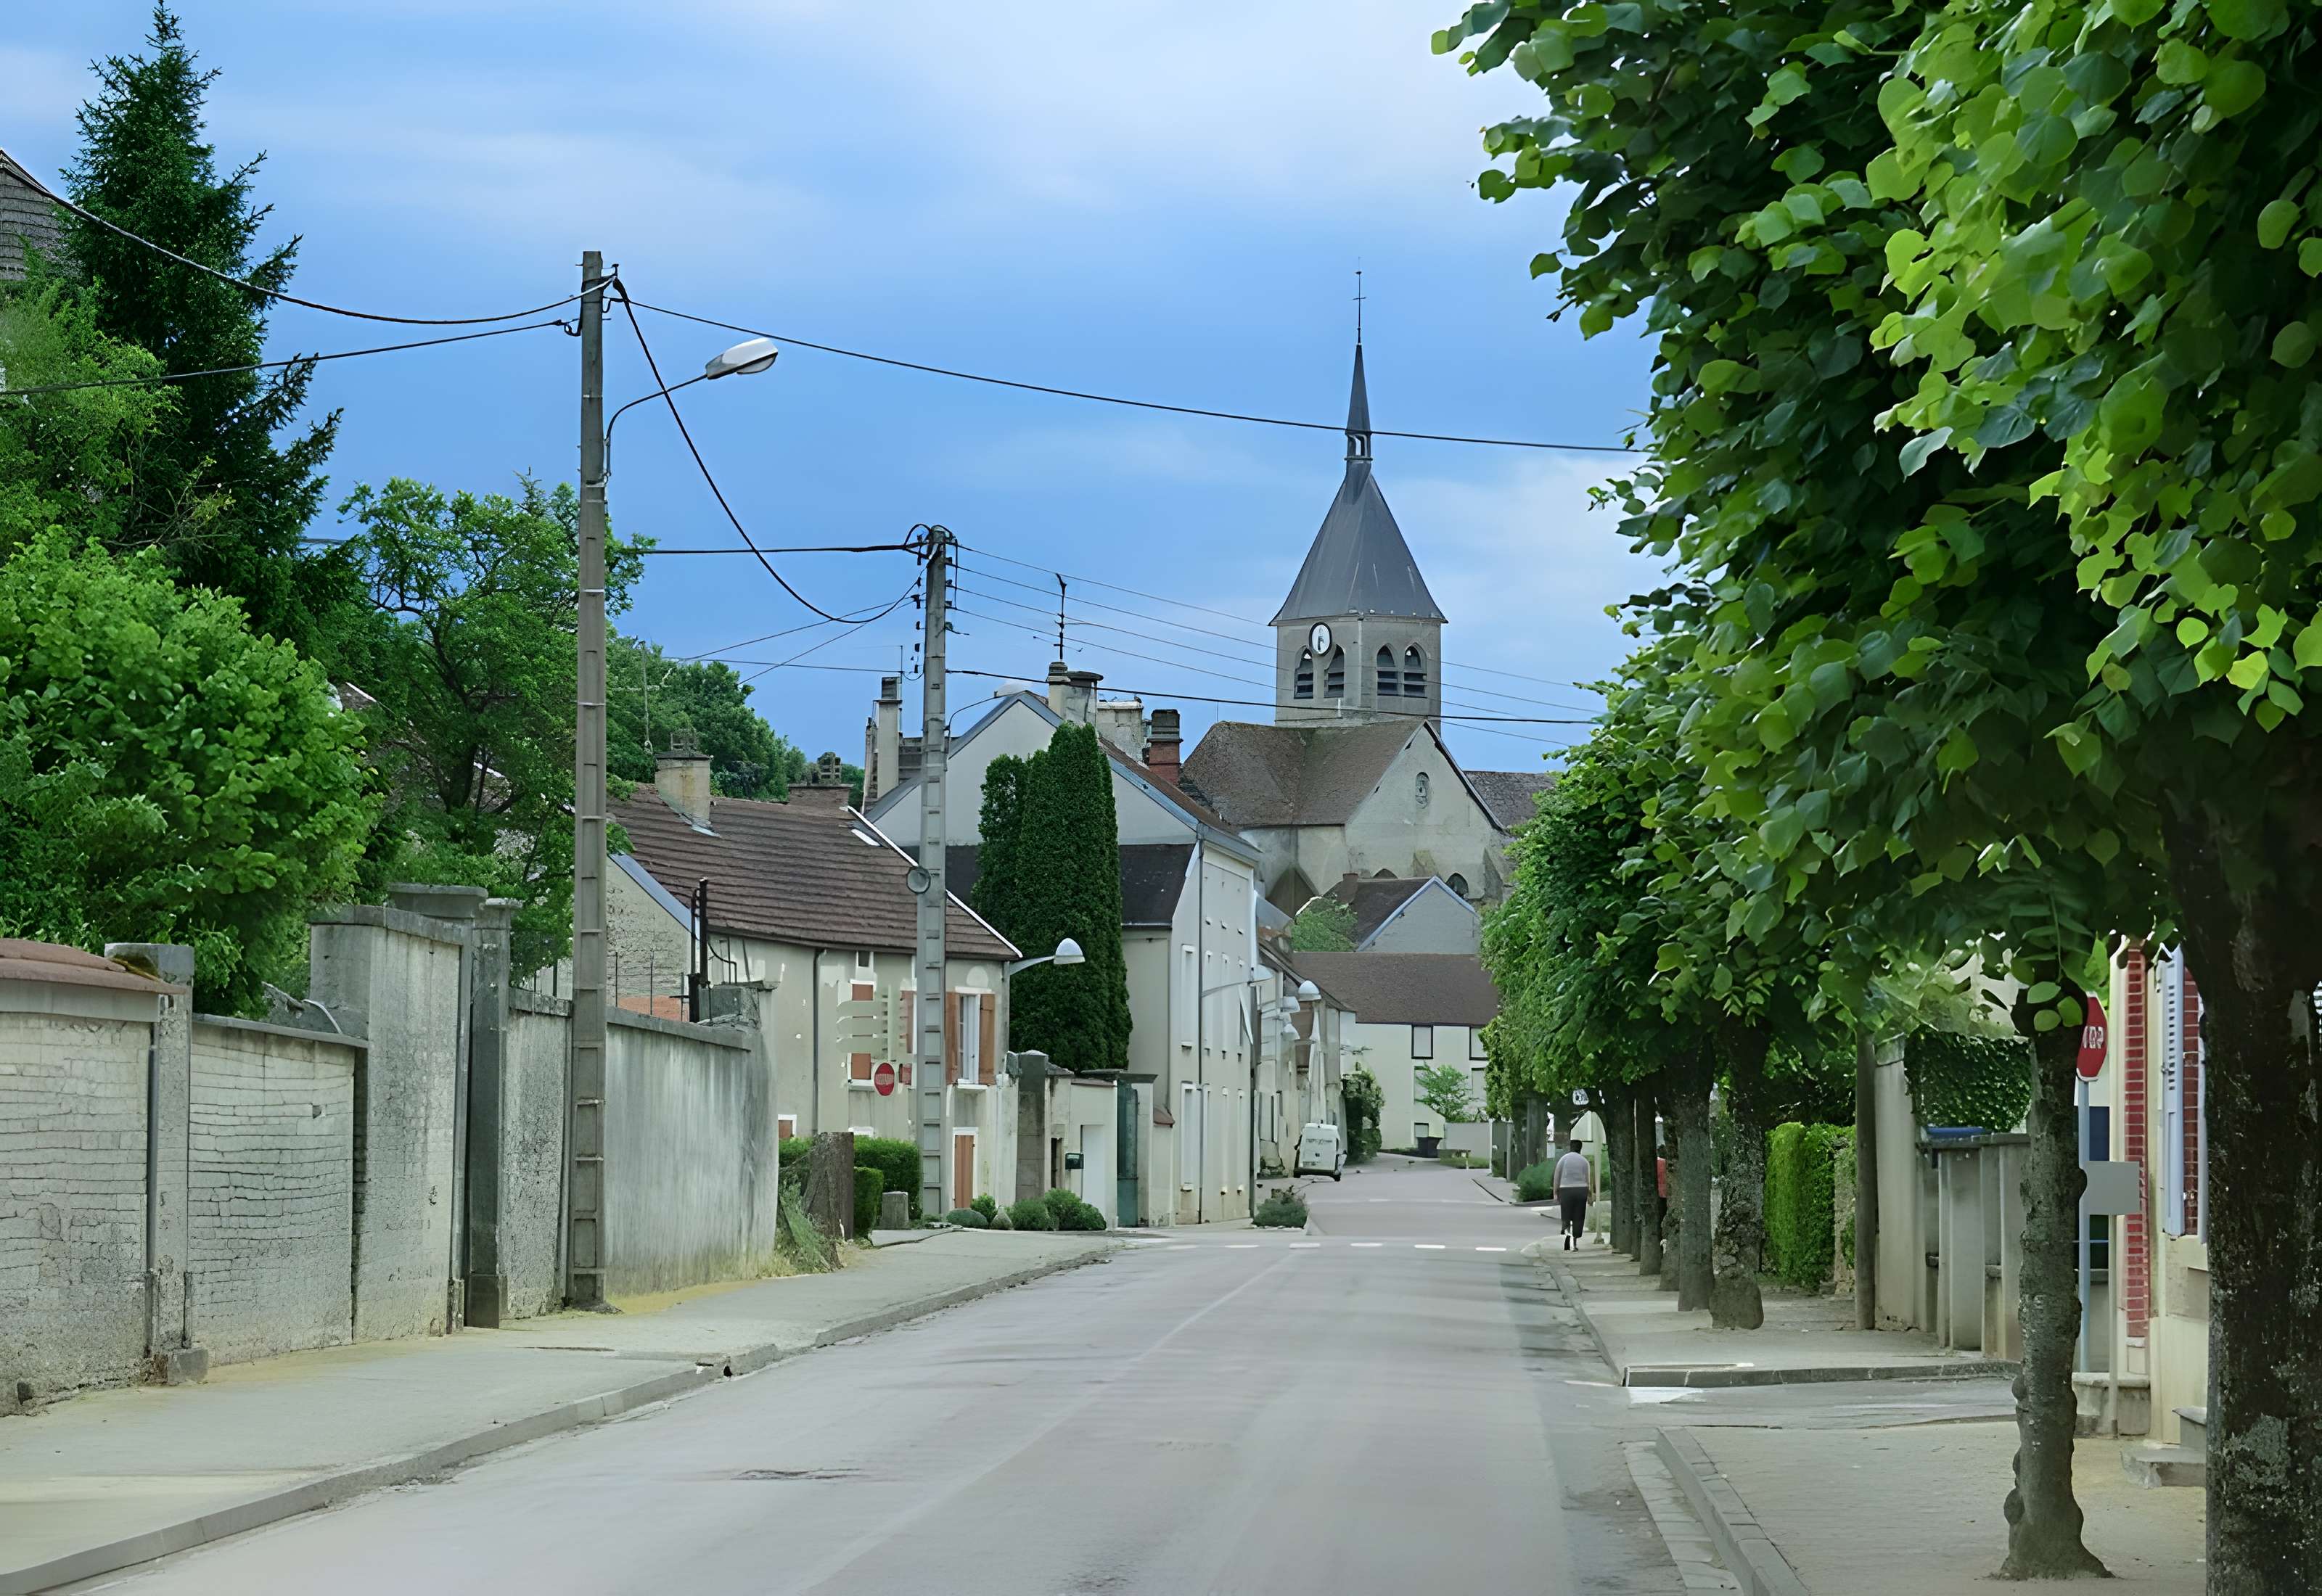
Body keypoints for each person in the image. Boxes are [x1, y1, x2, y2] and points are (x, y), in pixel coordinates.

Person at [1554, 1138, 1594, 1250]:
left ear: (1570, 1147)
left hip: (1566, 1190)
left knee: (1566, 1215)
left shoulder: (1563, 1159)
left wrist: (1555, 1193)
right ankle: (1575, 1244)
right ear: (1581, 1149)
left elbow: (1557, 1177)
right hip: (1581, 1190)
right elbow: (1588, 1179)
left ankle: (1567, 1234)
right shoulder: (1584, 1161)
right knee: (1578, 1217)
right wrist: (1590, 1195)